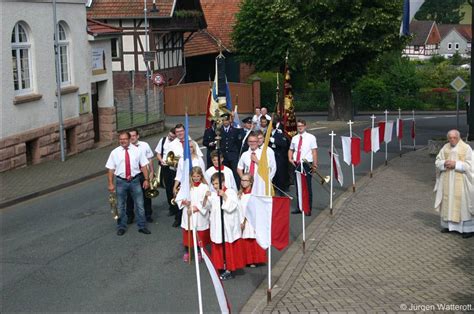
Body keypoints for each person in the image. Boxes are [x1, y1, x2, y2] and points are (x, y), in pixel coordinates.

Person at [105, 131, 151, 236]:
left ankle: (142, 226)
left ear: (129, 139)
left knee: (140, 205)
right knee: (121, 206)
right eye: (121, 139)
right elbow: (110, 170)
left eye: (125, 139)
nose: (123, 141)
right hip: (121, 181)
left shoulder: (137, 151)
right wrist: (110, 184)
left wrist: (146, 179)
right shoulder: (114, 152)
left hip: (135, 180)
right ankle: (121, 226)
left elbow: (144, 166)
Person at [434, 129, 473, 238]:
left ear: (459, 137)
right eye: (450, 138)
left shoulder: (466, 148)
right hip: (447, 180)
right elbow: (437, 161)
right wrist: (444, 163)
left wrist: (456, 164)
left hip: (462, 181)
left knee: (463, 206)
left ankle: (467, 229)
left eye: (454, 137)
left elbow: (470, 166)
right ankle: (449, 226)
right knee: (448, 202)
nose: (452, 140)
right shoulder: (445, 147)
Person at [206, 173, 245, 278]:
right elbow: (208, 207)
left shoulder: (230, 192)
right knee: (218, 245)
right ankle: (220, 265)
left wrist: (224, 196)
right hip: (217, 224)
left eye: (217, 183)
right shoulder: (214, 194)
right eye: (213, 184)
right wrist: (206, 197)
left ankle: (229, 269)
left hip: (227, 225)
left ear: (223, 183)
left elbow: (232, 206)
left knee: (227, 246)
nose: (215, 186)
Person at [177, 167, 211, 262]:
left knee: (199, 235)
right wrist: (184, 202)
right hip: (188, 214)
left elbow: (207, 202)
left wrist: (197, 208)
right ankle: (187, 251)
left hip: (199, 215)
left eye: (198, 176)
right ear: (191, 176)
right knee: (188, 234)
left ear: (201, 176)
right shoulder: (186, 186)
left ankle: (199, 252)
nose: (196, 178)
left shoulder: (205, 187)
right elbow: (179, 198)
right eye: (194, 176)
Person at [288, 119, 318, 216]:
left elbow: (314, 152)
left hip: (306, 163)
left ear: (305, 126)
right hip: (297, 163)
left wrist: (315, 164)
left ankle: (308, 208)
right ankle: (300, 207)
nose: (300, 128)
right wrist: (290, 158)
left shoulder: (311, 137)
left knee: (307, 186)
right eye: (298, 126)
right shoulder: (295, 138)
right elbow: (291, 149)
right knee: (298, 186)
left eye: (301, 126)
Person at [173, 141, 206, 228]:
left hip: (197, 186)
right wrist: (175, 186)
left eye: (191, 147)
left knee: (197, 207)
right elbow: (179, 175)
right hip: (186, 186)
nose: (190, 149)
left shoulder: (199, 159)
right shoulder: (182, 159)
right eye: (188, 147)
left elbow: (203, 174)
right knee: (186, 206)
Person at [126, 129, 155, 224]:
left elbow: (150, 159)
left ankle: (148, 215)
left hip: (144, 174)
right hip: (132, 175)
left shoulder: (145, 145)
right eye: (130, 136)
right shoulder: (126, 148)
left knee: (146, 195)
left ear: (137, 136)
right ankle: (130, 216)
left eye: (134, 135)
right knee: (129, 197)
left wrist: (151, 172)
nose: (132, 138)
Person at [238, 173, 266, 267]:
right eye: (242, 180)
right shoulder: (239, 194)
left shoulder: (254, 195)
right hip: (241, 220)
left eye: (245, 180)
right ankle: (247, 260)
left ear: (250, 182)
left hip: (252, 221)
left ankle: (255, 259)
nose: (243, 182)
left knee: (253, 239)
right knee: (245, 240)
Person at [155, 128, 177, 217]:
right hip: (165, 167)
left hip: (175, 168)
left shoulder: (177, 143)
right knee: (168, 188)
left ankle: (178, 206)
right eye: (170, 136)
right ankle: (171, 207)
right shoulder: (163, 140)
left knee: (176, 187)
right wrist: (161, 160)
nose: (170, 138)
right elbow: (158, 153)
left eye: (173, 137)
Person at [219, 114, 244, 187]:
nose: (225, 122)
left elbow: (239, 142)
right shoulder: (219, 131)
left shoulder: (235, 130)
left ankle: (239, 188)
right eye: (224, 120)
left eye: (227, 120)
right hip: (224, 156)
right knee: (225, 173)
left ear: (230, 120)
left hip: (233, 155)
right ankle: (227, 187)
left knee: (236, 173)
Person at [270, 118, 290, 193]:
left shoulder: (279, 133)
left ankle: (282, 190)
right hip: (271, 157)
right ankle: (273, 188)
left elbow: (284, 144)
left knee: (280, 174)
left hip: (279, 157)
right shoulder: (266, 134)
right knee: (272, 174)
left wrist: (274, 140)